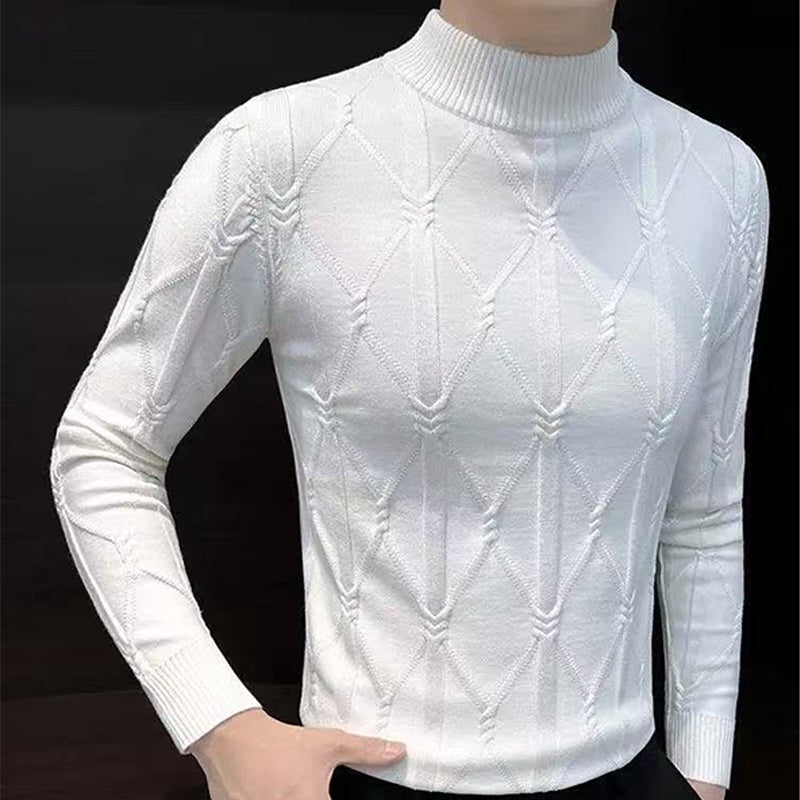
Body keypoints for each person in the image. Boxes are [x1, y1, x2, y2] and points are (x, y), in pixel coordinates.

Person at [49, 1, 769, 798]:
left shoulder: (722, 177)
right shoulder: (282, 149)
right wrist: (221, 725)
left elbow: (704, 510)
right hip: (372, 775)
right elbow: (105, 446)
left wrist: (704, 769)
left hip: (634, 775)